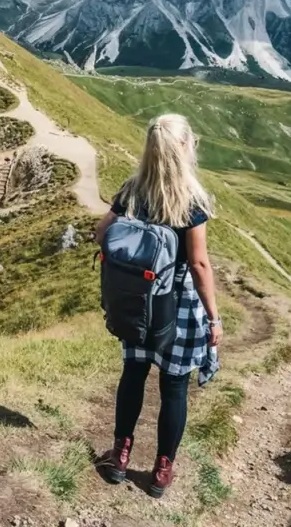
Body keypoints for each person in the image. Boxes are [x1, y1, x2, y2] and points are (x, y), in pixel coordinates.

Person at [93, 114, 220, 499]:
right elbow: (198, 264)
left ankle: (119, 455)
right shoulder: (191, 199)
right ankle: (162, 469)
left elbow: (102, 234)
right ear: (183, 149)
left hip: (138, 301)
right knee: (174, 386)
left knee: (133, 374)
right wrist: (214, 317)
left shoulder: (133, 190)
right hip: (177, 304)